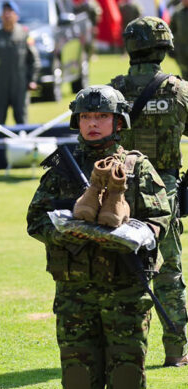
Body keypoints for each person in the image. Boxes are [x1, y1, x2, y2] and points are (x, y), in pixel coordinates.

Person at [27, 85, 170, 389]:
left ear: (117, 121)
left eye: (101, 117)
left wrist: (134, 233)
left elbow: (162, 218)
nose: (93, 123)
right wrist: (69, 228)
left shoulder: (137, 167)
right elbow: (36, 220)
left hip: (126, 295)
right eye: (86, 117)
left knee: (125, 387)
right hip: (76, 297)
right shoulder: (61, 168)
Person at [110, 16, 188, 367]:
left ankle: (124, 351)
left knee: (123, 270)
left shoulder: (114, 92)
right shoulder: (179, 90)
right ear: (163, 48)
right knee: (169, 271)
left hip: (120, 189)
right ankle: (176, 350)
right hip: (164, 192)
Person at [0, 0, 40, 124]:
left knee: (22, 120)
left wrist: (32, 80)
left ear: (16, 16)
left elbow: (34, 60)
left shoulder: (24, 34)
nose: (7, 15)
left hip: (20, 85)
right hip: (0, 86)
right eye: (5, 12)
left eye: (10, 12)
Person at [170, 0, 188, 78]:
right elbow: (171, 31)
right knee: (185, 74)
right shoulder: (177, 12)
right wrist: (171, 48)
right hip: (182, 51)